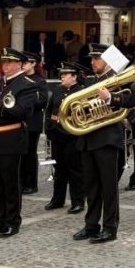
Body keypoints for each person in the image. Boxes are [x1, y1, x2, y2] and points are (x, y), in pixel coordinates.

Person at [72, 43, 135, 244]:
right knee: (91, 186)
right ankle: (91, 224)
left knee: (108, 186)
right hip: (88, 138)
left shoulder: (118, 80)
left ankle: (110, 227)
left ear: (107, 61)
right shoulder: (92, 81)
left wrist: (111, 98)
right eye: (91, 59)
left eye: (96, 59)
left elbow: (131, 99)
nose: (92, 63)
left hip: (108, 139)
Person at [0, 49, 39, 238]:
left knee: (10, 183)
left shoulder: (27, 85)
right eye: (4, 62)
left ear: (20, 64)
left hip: (10, 139)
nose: (5, 66)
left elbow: (21, 112)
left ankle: (12, 221)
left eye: (10, 62)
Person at [45, 61, 87, 214]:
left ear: (74, 77)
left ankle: (78, 201)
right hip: (57, 136)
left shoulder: (82, 91)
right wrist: (49, 129)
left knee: (75, 171)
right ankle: (57, 199)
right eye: (61, 74)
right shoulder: (57, 90)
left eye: (65, 74)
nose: (62, 77)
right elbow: (49, 111)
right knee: (59, 170)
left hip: (72, 137)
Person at [20, 51, 47, 194]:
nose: (23, 65)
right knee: (20, 152)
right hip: (19, 120)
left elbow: (43, 101)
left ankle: (31, 183)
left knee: (30, 153)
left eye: (26, 63)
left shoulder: (39, 80)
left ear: (33, 64)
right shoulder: (20, 79)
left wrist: (26, 101)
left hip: (33, 122)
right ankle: (21, 180)